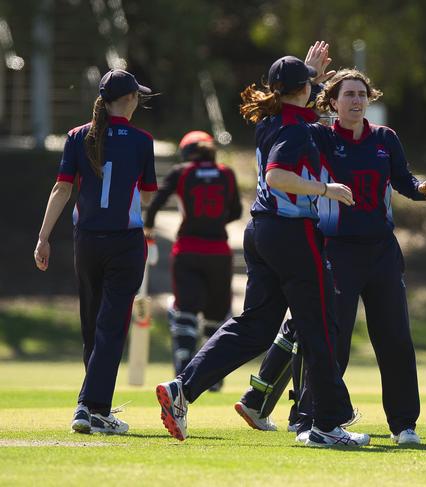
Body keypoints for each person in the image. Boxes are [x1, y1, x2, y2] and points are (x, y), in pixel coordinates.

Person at [155, 44, 371, 448]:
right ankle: (327, 423)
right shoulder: (292, 129)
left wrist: (307, 77)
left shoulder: (274, 120)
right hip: (292, 232)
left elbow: (294, 110)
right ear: (301, 89)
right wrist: (324, 188)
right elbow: (277, 176)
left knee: (255, 327)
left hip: (262, 233)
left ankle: (183, 388)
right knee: (321, 324)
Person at [236, 68, 426, 445]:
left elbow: (403, 181)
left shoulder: (385, 139)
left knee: (395, 338)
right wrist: (306, 78)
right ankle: (312, 418)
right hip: (336, 250)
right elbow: (285, 120)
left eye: (362, 94)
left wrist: (422, 190)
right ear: (331, 102)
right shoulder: (318, 136)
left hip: (381, 252)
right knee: (331, 340)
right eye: (348, 94)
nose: (357, 101)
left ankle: (404, 425)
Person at [34, 69, 157, 434]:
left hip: (85, 242)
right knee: (111, 327)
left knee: (93, 327)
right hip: (125, 242)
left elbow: (61, 190)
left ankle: (94, 405)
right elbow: (148, 195)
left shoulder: (77, 136)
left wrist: (43, 238)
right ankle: (91, 406)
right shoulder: (141, 140)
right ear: (131, 99)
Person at [143, 130, 242, 389]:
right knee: (215, 316)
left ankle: (184, 366)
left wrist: (149, 229)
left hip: (187, 249)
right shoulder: (227, 173)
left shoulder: (181, 172)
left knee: (185, 311)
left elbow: (154, 205)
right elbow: (237, 211)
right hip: (219, 252)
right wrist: (216, 222)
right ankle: (213, 375)